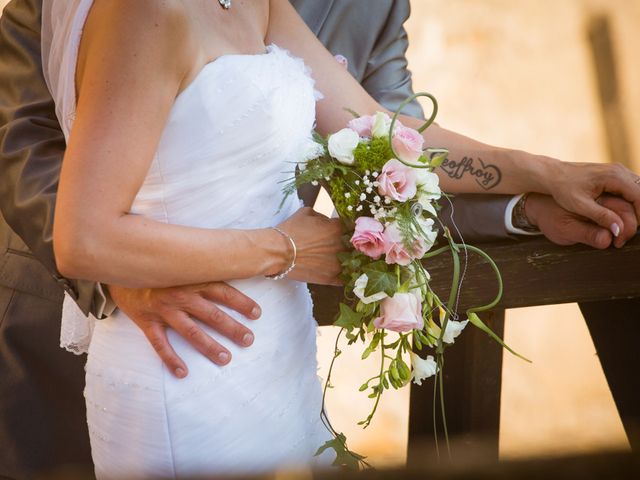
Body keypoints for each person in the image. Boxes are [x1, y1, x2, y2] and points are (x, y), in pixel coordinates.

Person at [0, 0, 638, 477]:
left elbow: (380, 132)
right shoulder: (142, 10)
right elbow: (82, 239)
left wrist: (546, 175)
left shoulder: (259, 3)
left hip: (277, 354)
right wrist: (283, 250)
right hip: (184, 362)